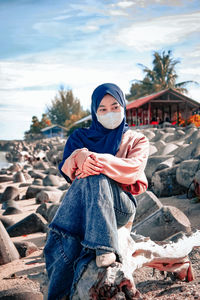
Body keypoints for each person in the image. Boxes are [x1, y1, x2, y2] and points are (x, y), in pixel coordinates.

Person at [44, 83, 149, 300]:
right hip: (86, 207)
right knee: (89, 176)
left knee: (95, 173)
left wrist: (94, 159)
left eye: (114, 106)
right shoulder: (79, 138)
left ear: (123, 107)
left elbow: (132, 171)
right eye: (102, 109)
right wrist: (79, 156)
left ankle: (103, 247)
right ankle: (95, 251)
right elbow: (68, 173)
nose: (109, 113)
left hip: (119, 206)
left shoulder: (136, 139)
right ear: (94, 111)